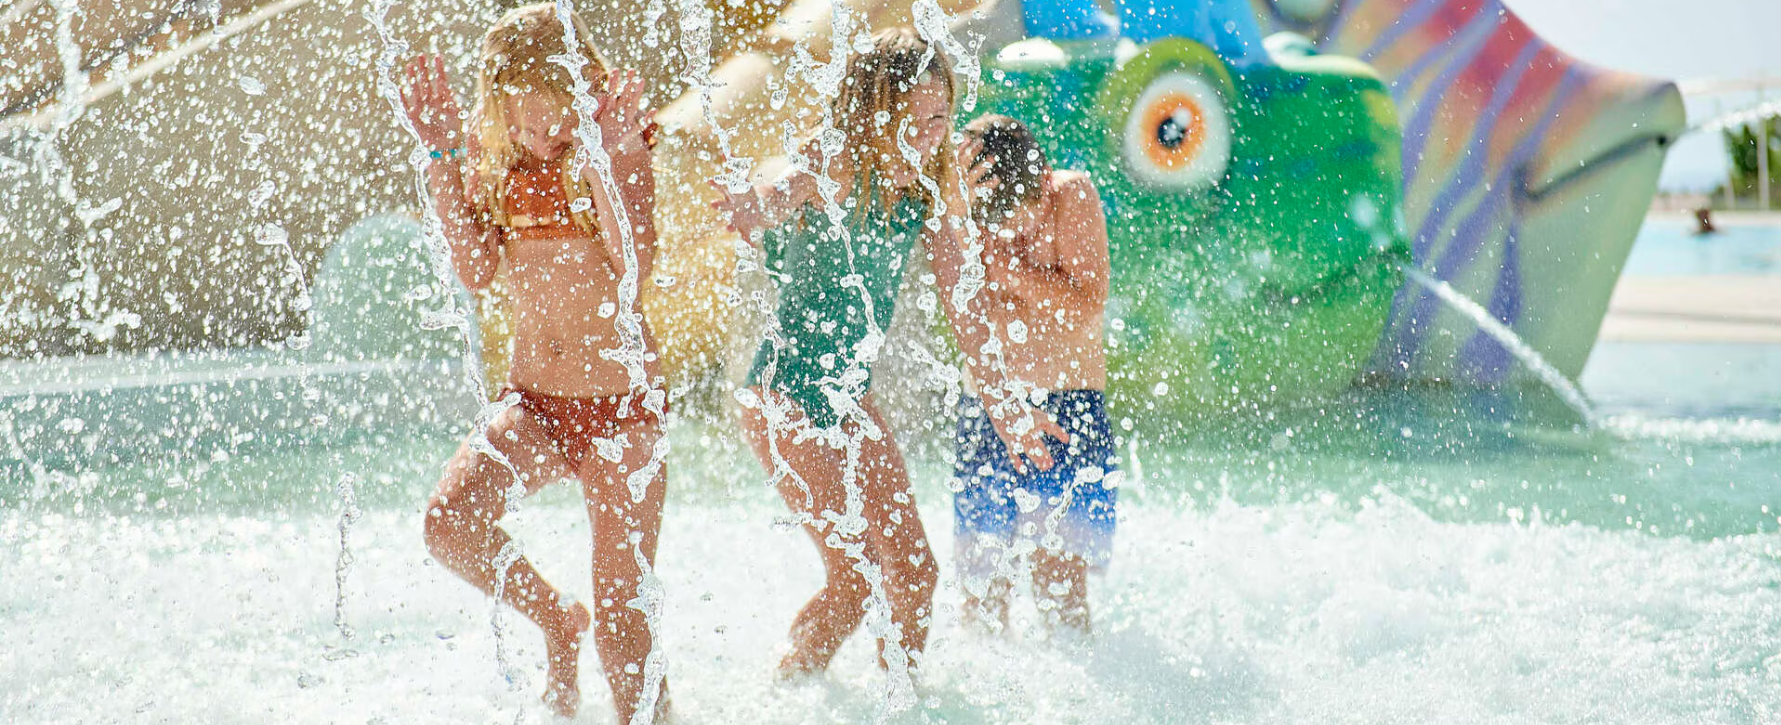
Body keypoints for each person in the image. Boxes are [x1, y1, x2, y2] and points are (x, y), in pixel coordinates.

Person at [714, 29, 1067, 680]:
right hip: (783, 393)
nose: (933, 134)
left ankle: (898, 702)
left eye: (942, 117)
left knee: (914, 573)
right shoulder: (837, 160)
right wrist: (752, 210)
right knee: (856, 578)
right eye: (917, 119)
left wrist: (1004, 405)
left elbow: (965, 306)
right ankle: (786, 691)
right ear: (875, 112)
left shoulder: (928, 190)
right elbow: (782, 191)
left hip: (849, 396)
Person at [399, 4, 667, 720]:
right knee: (448, 523)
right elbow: (476, 268)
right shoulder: (499, 163)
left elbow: (635, 268)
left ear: (583, 89)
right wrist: (441, 159)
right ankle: (554, 618)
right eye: (523, 125)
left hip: (623, 414)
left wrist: (605, 159)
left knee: (624, 629)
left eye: (556, 122)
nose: (542, 139)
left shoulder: (616, 145)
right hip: (535, 406)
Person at [950, 114, 1117, 636]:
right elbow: (968, 312)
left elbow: (1084, 306)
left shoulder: (1072, 195)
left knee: (1059, 581)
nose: (1016, 234)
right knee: (982, 586)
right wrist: (959, 213)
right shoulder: (965, 210)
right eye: (1002, 224)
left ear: (1044, 177)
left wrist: (1007, 269)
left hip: (1067, 407)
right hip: (988, 409)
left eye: (1026, 218)